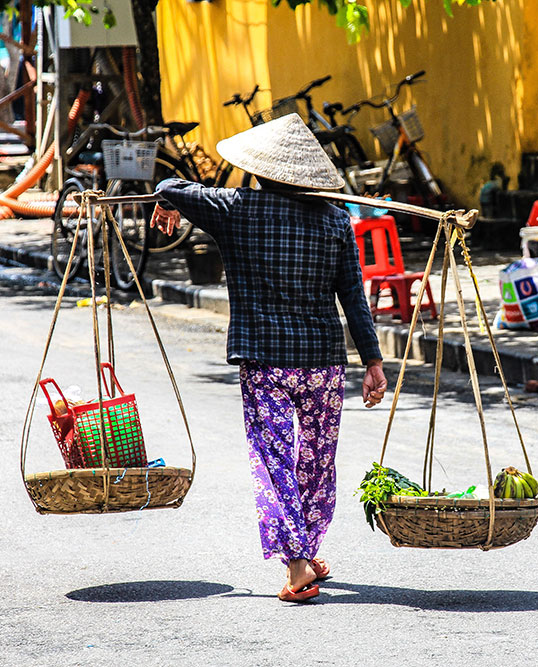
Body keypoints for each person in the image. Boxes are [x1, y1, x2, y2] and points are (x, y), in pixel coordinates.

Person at [150, 113, 387, 603]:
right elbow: (353, 296)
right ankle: (307, 549)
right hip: (322, 362)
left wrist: (166, 201)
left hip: (266, 362)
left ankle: (299, 563)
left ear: (259, 170)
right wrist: (373, 362)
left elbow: (173, 181)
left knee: (273, 458)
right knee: (318, 461)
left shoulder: (235, 208)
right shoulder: (336, 219)